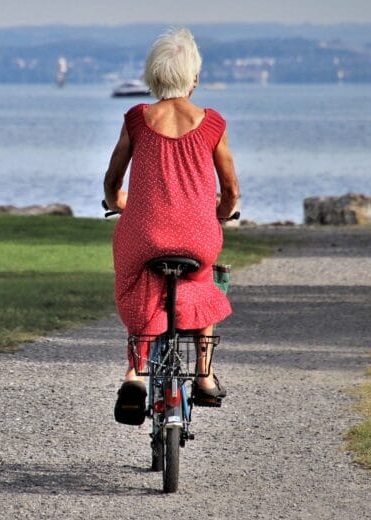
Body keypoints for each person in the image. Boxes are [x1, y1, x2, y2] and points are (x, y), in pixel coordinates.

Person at [103, 28, 240, 425]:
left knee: (138, 279)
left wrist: (119, 204)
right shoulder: (212, 123)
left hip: (144, 234)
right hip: (197, 236)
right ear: (193, 77)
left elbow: (113, 182)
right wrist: (223, 212)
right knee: (202, 282)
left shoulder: (137, 119)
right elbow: (230, 188)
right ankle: (204, 373)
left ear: (153, 76)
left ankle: (135, 374)